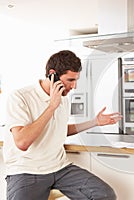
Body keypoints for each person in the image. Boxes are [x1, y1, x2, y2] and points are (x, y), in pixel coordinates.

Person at [3, 50, 121, 200]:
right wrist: (52, 106)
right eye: (70, 80)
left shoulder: (63, 99)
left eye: (76, 80)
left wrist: (95, 122)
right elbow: (22, 142)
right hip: (26, 170)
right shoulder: (20, 97)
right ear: (53, 74)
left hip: (59, 168)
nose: (74, 86)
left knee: (105, 195)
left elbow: (58, 129)